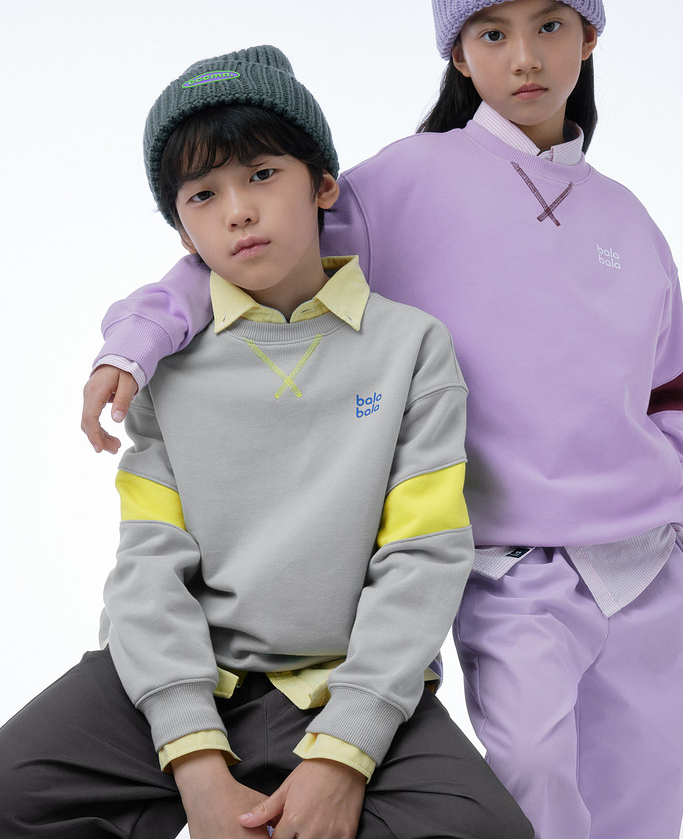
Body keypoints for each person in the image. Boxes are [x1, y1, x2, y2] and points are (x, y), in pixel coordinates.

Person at [80, 0, 683, 839]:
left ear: (590, 35)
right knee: (534, 778)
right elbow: (241, 255)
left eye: (550, 24)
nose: (526, 56)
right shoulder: (402, 183)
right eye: (492, 32)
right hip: (507, 560)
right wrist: (133, 340)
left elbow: (668, 388)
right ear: (458, 53)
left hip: (647, 554)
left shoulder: (629, 218)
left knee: (645, 795)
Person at [0, 45, 531, 839]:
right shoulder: (167, 367)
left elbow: (422, 558)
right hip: (181, 676)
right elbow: (148, 567)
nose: (238, 210)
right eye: (203, 194)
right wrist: (195, 761)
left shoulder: (411, 347)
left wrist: (344, 753)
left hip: (349, 680)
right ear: (184, 233)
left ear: (323, 185)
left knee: (488, 831)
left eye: (261, 174)